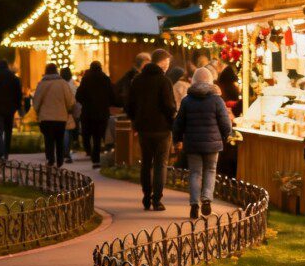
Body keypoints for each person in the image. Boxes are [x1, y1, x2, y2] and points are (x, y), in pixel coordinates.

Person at [173, 67, 232, 219]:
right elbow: (225, 122)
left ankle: (194, 204)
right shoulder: (217, 100)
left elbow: (179, 122)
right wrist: (227, 136)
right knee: (210, 171)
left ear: (193, 81)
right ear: (210, 81)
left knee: (195, 173)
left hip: (192, 143)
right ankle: (206, 199)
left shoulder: (187, 101)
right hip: (213, 144)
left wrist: (177, 139)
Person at [125, 49, 177, 211]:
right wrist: (171, 121)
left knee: (146, 163)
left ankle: (146, 196)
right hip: (162, 130)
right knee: (161, 164)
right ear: (161, 63)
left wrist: (136, 121)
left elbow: (129, 105)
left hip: (144, 129)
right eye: (167, 64)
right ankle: (157, 200)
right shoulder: (164, 81)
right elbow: (169, 106)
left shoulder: (138, 80)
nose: (168, 67)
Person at [32, 63, 75, 167]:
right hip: (60, 118)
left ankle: (50, 159)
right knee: (59, 140)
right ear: (56, 71)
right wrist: (68, 109)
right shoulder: (63, 84)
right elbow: (70, 101)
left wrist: (38, 112)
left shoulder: (42, 84)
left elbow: (36, 101)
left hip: (46, 118)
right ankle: (60, 161)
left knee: (48, 140)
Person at [75, 60, 115, 169]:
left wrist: (85, 103)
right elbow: (112, 95)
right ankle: (97, 159)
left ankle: (92, 154)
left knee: (87, 134)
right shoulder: (105, 79)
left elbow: (78, 96)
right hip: (102, 112)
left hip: (88, 112)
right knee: (98, 136)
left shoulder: (86, 79)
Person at [60, 67, 80, 163]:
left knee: (65, 132)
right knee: (69, 131)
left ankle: (65, 152)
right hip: (71, 111)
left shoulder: (61, 84)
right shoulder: (73, 85)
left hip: (62, 110)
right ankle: (67, 151)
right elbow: (75, 99)